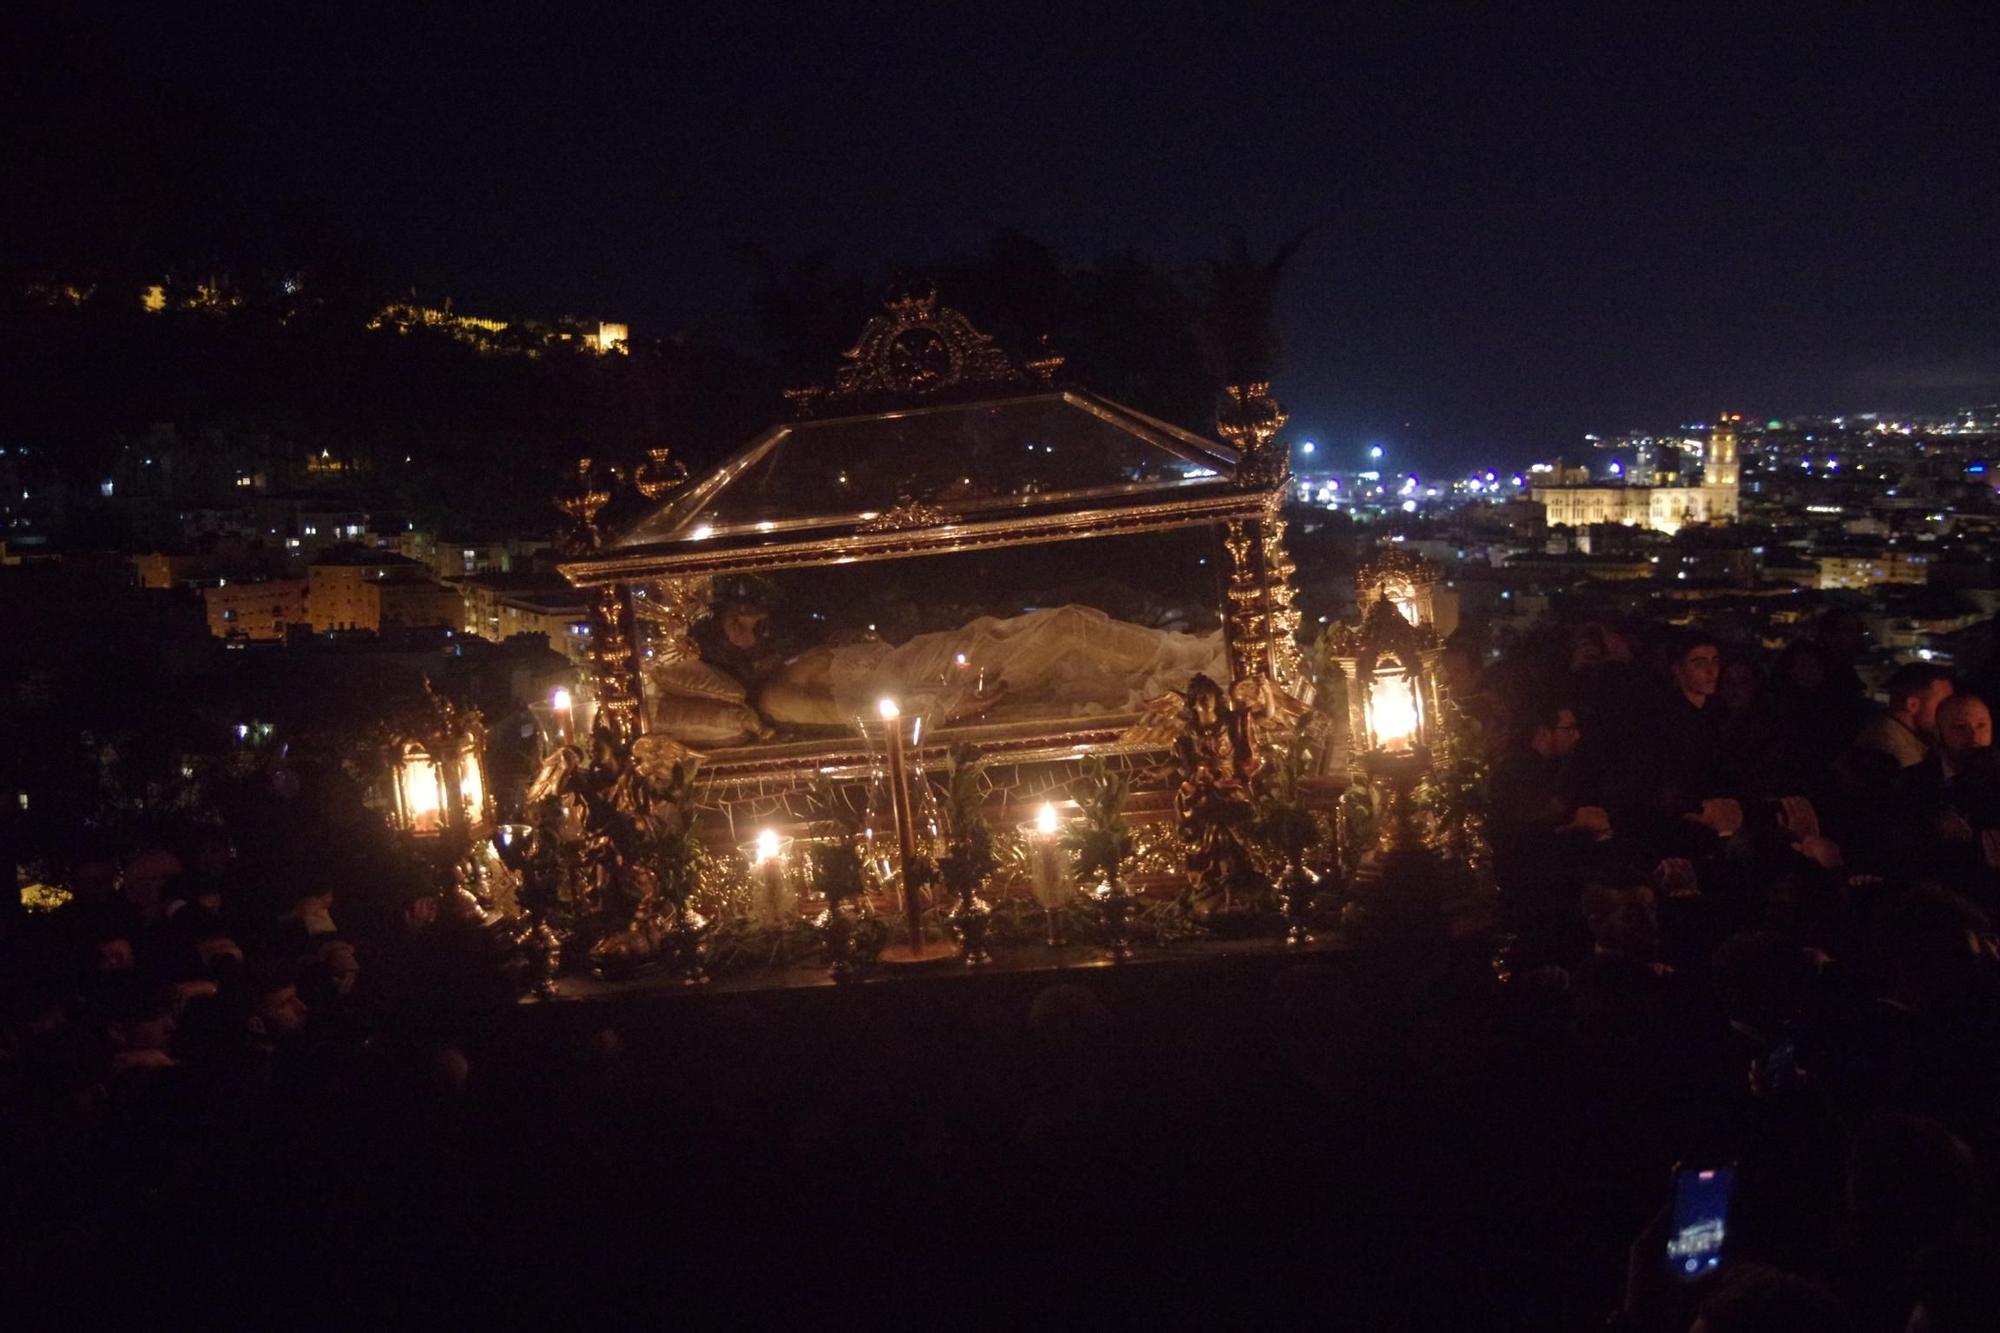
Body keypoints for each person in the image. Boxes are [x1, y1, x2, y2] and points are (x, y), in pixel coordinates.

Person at [1853, 663, 1953, 771]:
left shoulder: (1914, 737)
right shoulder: (1894, 751)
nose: (1949, 712)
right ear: (1912, 705)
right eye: (1943, 704)